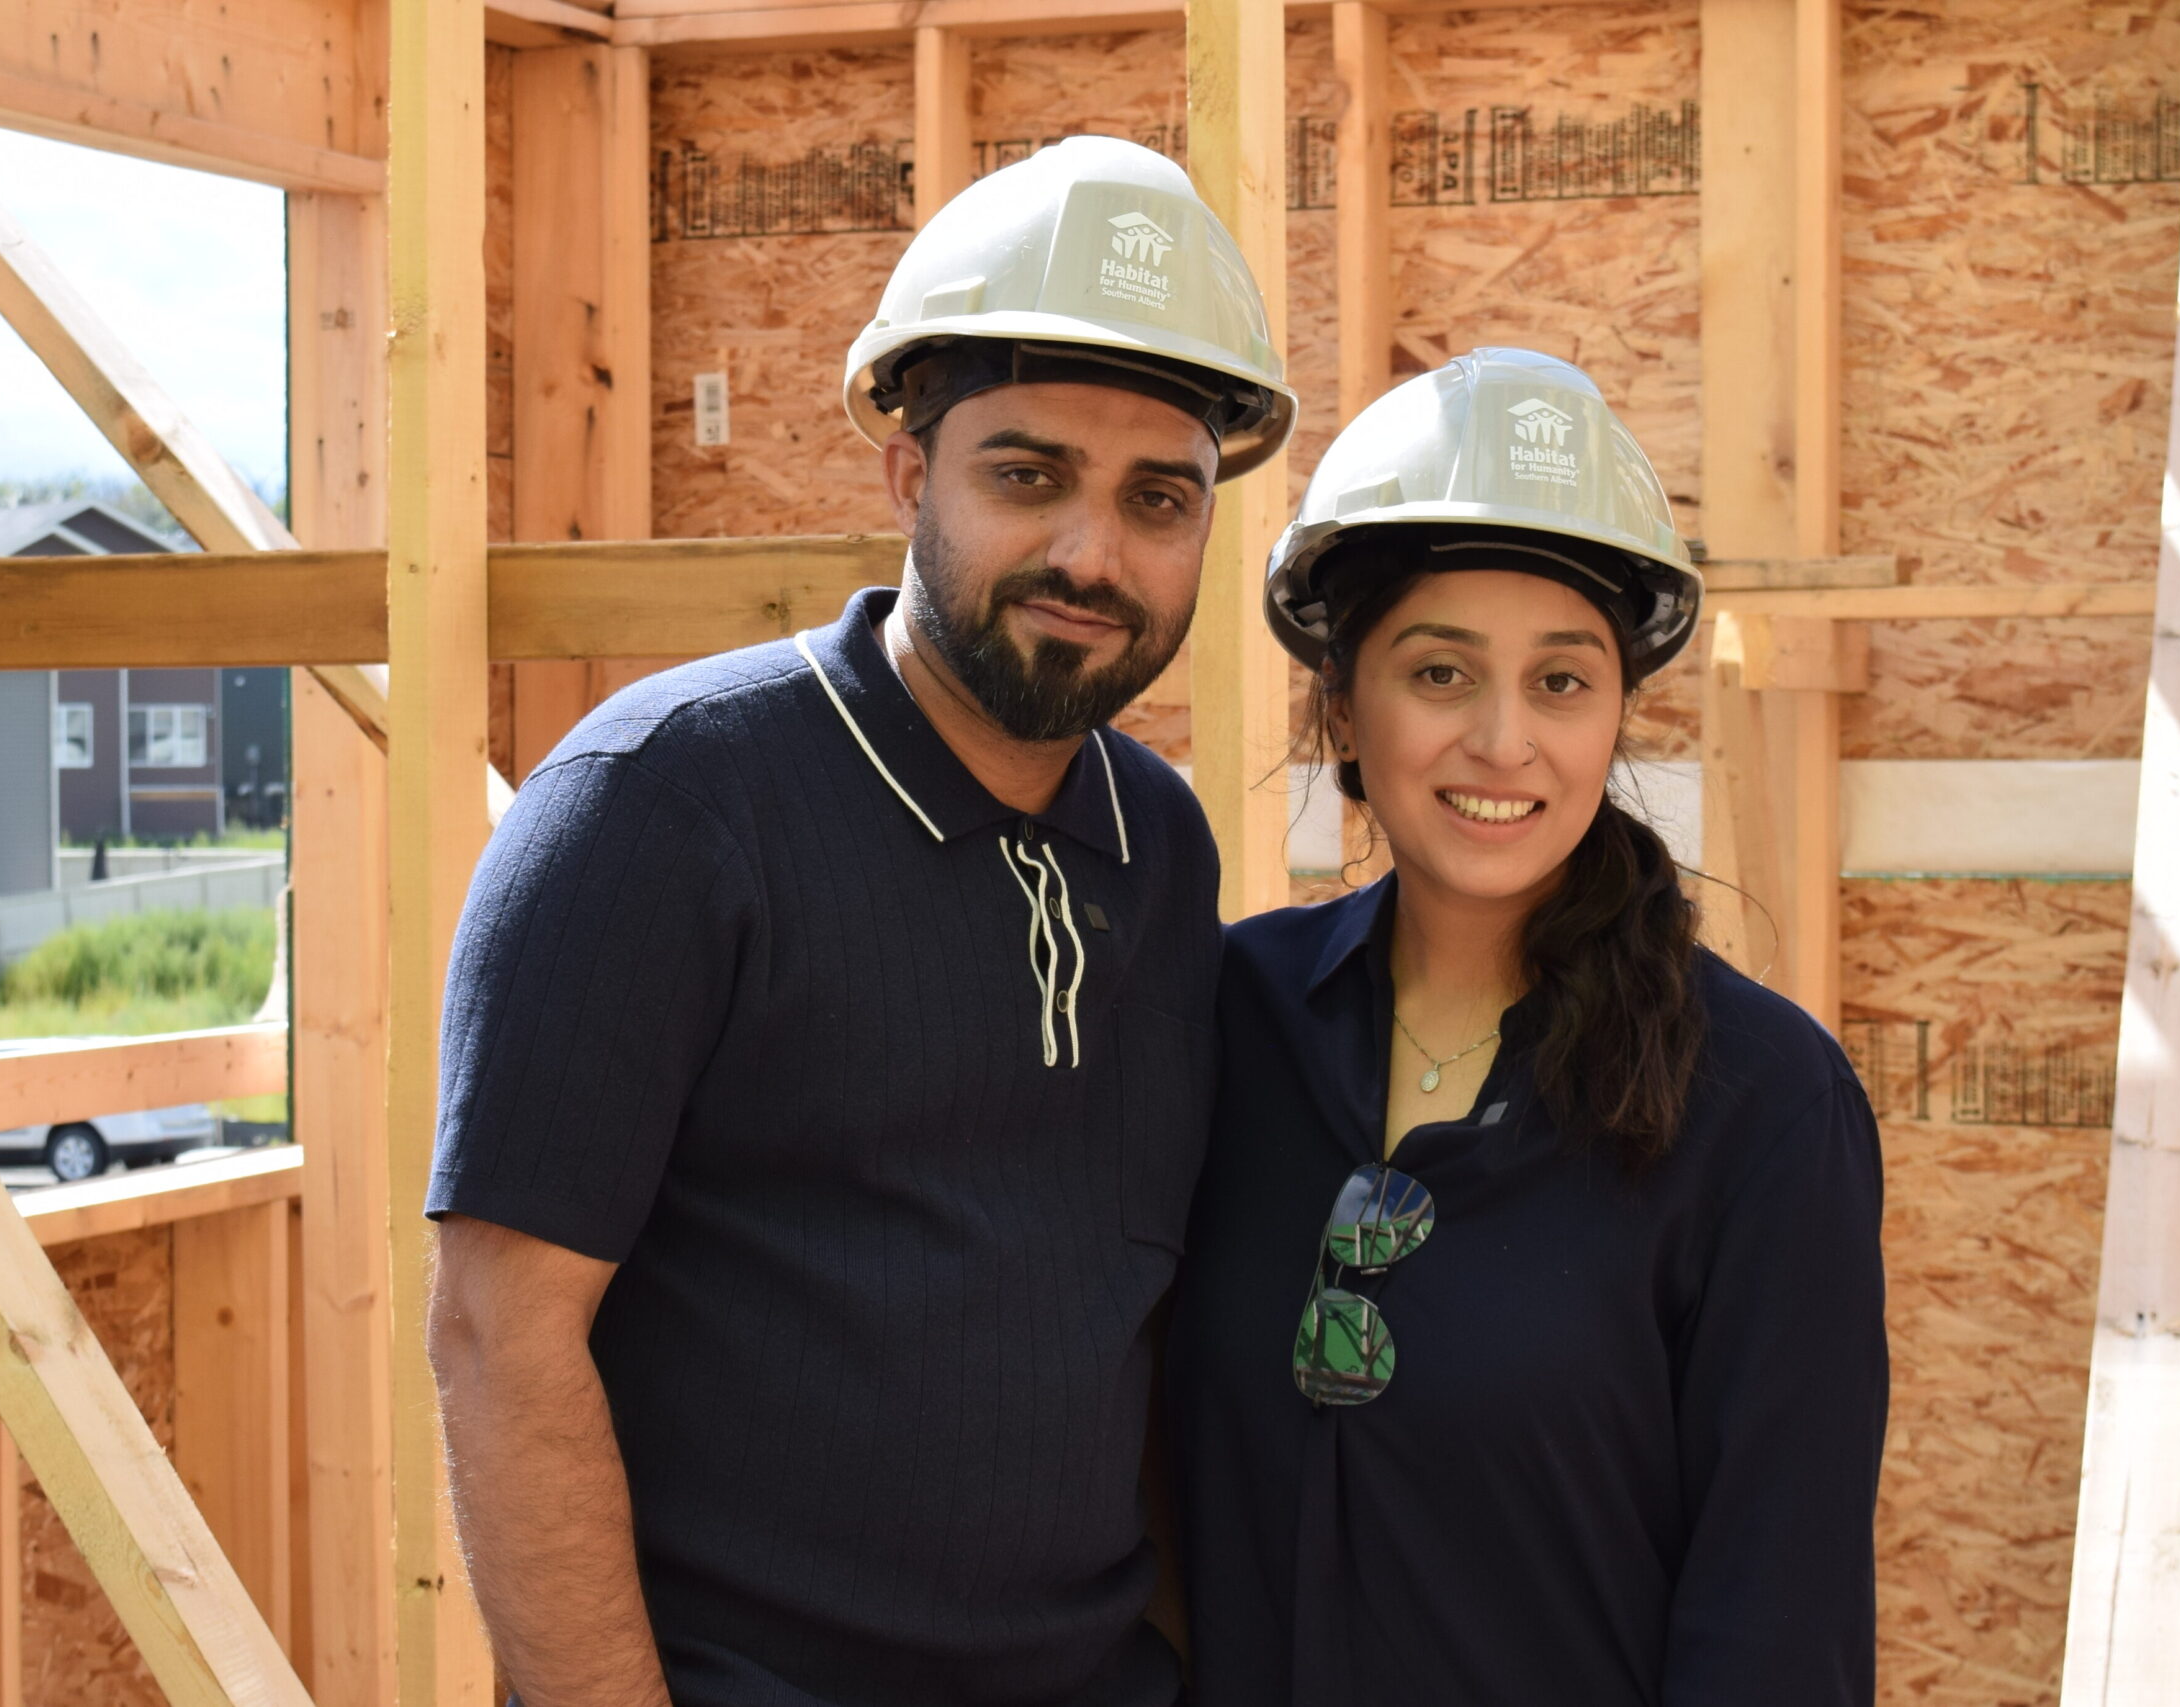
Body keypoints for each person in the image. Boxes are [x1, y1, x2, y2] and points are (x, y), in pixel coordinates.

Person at [424, 135, 1296, 1707]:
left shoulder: (1154, 849)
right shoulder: (662, 807)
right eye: (1026, 476)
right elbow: (503, 1338)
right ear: (908, 470)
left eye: (1157, 499)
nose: (1093, 555)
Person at [1166, 347, 1887, 1705]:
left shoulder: (1760, 1105)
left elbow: (1778, 1623)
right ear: (1345, 703)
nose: (1504, 742)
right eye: (1440, 674)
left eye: (1561, 683)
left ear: (1616, 711)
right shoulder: (1229, 1022)